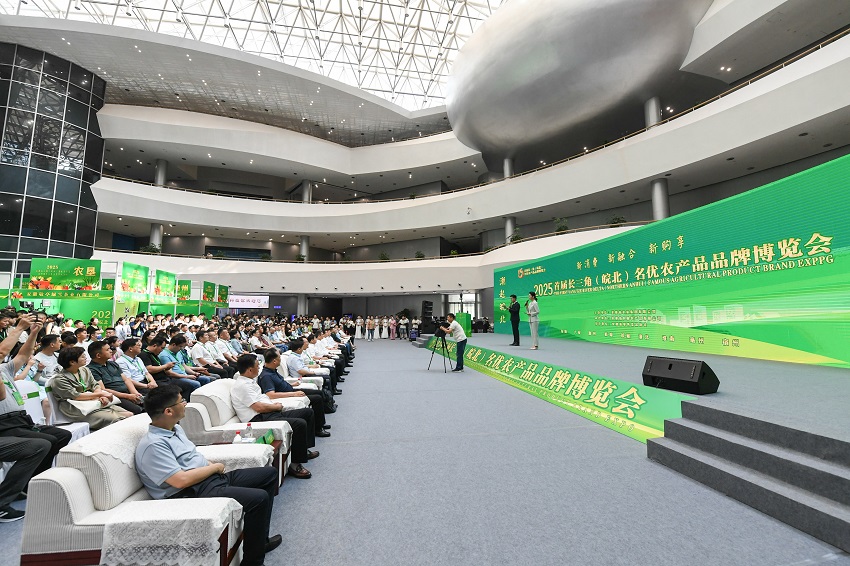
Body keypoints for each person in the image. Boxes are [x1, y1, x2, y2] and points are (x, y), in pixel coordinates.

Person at [135, 385, 282, 566]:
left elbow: (190, 458)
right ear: (168, 411)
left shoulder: (176, 429)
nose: (185, 404)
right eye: (181, 401)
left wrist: (209, 465)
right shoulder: (153, 445)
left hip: (209, 480)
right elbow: (180, 481)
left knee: (268, 474)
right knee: (258, 498)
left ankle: (259, 542)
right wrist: (214, 468)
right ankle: (253, 562)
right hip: (191, 492)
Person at [0, 315, 72, 519]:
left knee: (61, 435)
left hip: (20, 420)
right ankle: (2, 501)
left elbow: (23, 355)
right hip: (5, 425)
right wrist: (19, 327)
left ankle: (28, 483)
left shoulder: (4, 368)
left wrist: (32, 333)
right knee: (41, 444)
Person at [230, 354, 318, 479]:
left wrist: (275, 406)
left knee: (307, 413)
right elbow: (259, 407)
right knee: (299, 424)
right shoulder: (242, 386)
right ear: (250, 370)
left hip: (269, 412)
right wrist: (276, 407)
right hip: (259, 418)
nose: (259, 368)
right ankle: (295, 464)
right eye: (257, 366)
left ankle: (304, 450)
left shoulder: (249, 381)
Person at [52, 346, 133, 430]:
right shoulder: (59, 379)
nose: (85, 358)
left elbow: (95, 385)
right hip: (76, 408)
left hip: (92, 401)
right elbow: (76, 396)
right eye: (82, 357)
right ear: (72, 362)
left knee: (130, 414)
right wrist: (100, 394)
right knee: (118, 419)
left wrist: (100, 395)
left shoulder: (84, 370)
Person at [86, 341, 144, 415]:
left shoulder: (113, 364)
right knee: (138, 410)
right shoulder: (91, 370)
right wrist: (128, 396)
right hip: (115, 397)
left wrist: (135, 393)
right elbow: (103, 389)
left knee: (150, 402)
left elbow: (126, 380)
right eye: (107, 350)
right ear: (98, 355)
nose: (111, 351)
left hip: (128, 393)